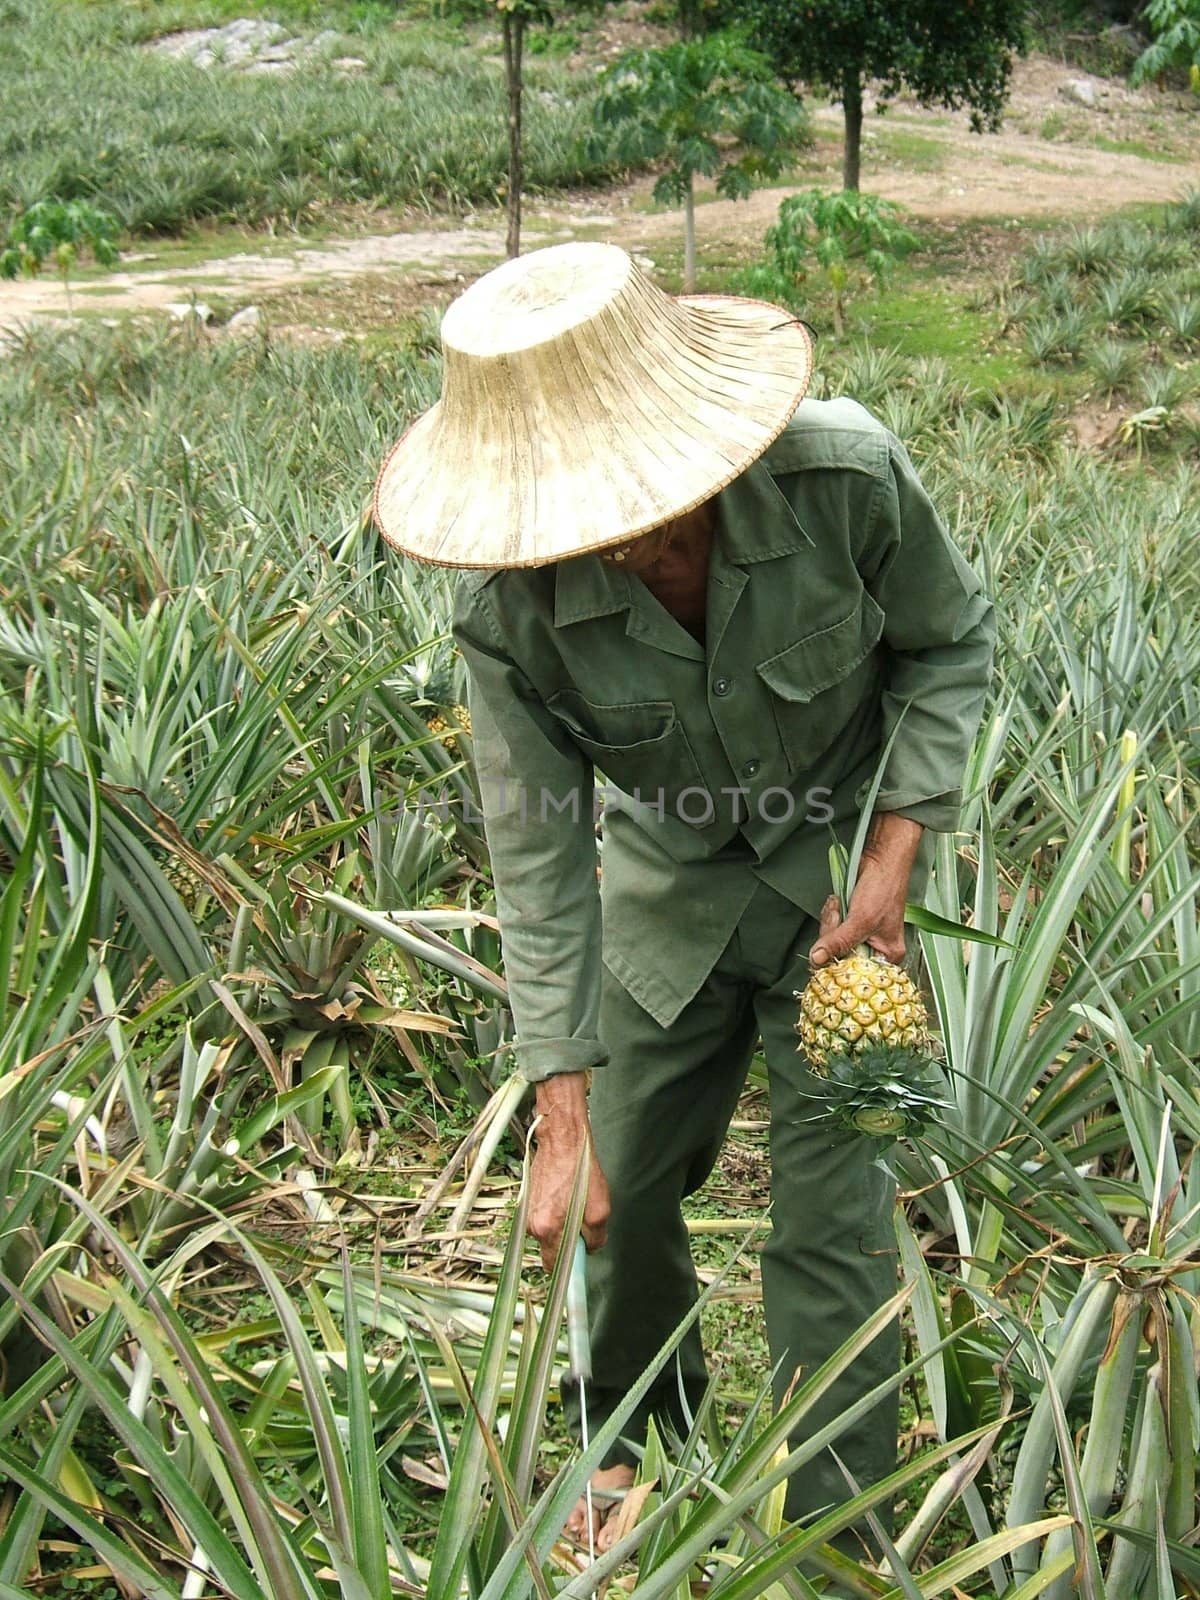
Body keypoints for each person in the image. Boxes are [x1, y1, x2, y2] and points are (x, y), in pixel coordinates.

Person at [374, 241, 995, 1555]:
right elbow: (537, 852)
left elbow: (950, 645)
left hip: (843, 900)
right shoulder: (513, 617)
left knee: (831, 1230)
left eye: (639, 512)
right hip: (667, 899)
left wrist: (894, 854)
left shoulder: (842, 477)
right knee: (620, 1187)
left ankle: (840, 1539)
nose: (623, 548)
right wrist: (558, 1095)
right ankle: (632, 1463)